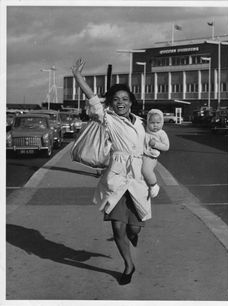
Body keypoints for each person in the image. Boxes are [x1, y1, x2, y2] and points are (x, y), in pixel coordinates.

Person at [72, 58, 151, 285]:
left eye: (125, 99)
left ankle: (133, 236)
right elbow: (94, 101)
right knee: (118, 228)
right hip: (116, 178)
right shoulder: (109, 120)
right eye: (116, 100)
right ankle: (128, 265)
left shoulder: (140, 123)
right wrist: (78, 78)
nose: (121, 103)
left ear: (131, 102)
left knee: (133, 228)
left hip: (137, 179)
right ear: (111, 103)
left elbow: (150, 147)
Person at [142, 109, 170, 197]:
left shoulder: (161, 133)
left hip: (150, 157)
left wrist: (155, 144)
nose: (155, 125)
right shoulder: (144, 130)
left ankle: (153, 185)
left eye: (158, 123)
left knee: (146, 170)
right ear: (147, 122)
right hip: (141, 154)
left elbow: (166, 146)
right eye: (152, 123)